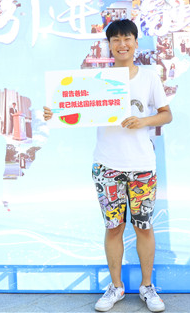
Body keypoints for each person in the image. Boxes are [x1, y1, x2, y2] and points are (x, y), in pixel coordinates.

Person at [43, 19, 172, 312]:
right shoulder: (97, 79)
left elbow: (166, 114)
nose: (122, 44)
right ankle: (116, 287)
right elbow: (72, 106)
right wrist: (54, 111)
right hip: (107, 165)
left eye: (127, 39)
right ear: (109, 45)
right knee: (113, 228)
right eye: (116, 40)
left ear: (136, 43)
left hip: (142, 166)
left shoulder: (149, 77)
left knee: (143, 227)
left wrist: (143, 121)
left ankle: (147, 287)